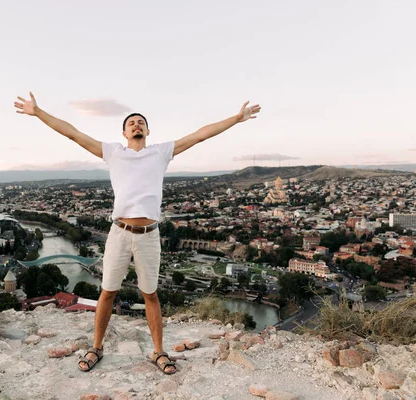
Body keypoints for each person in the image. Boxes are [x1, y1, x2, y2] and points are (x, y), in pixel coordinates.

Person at [14, 93, 260, 374]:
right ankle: (96, 347)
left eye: (140, 122)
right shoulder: (113, 152)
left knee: (151, 295)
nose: (136, 124)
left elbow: (200, 135)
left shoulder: (161, 152)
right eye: (131, 122)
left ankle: (159, 352)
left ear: (147, 130)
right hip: (119, 233)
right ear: (124, 132)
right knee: (107, 293)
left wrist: (236, 119)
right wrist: (38, 112)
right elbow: (73, 133)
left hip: (148, 235)